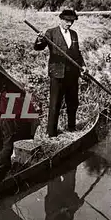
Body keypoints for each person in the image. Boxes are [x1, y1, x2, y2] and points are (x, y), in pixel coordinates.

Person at [34, 9, 87, 137]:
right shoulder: (51, 33)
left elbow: (77, 53)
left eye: (72, 21)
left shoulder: (74, 34)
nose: (69, 24)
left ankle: (71, 128)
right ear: (61, 20)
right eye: (67, 21)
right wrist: (39, 39)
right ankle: (51, 133)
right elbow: (38, 47)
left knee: (72, 102)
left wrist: (83, 65)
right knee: (55, 103)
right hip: (58, 74)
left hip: (72, 74)